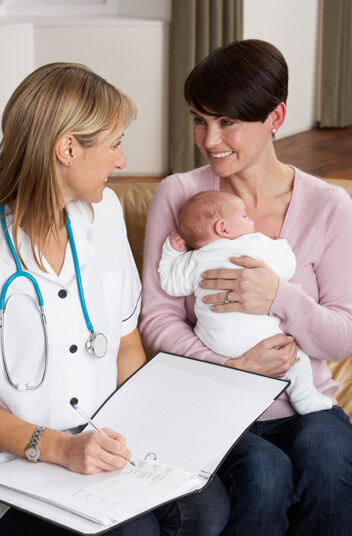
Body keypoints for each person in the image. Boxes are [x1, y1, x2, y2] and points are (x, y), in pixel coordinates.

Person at [0, 62, 229, 536]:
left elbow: (125, 344)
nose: (122, 160)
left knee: (209, 506)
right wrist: (61, 447)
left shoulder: (102, 214)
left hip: (102, 446)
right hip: (21, 465)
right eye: (114, 144)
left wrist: (147, 436)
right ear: (67, 149)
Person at [140, 39, 352, 535]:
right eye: (199, 119)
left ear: (275, 117)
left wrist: (278, 296)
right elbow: (157, 318)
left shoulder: (330, 206)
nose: (209, 138)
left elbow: (342, 336)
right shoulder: (180, 195)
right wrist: (232, 369)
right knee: (261, 476)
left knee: (329, 458)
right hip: (210, 400)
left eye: (227, 122)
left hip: (303, 404)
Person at [158, 190, 332, 415]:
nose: (251, 221)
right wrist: (280, 245)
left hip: (215, 345)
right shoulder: (255, 243)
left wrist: (171, 252)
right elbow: (288, 267)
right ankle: (305, 399)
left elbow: (170, 283)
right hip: (264, 341)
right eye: (243, 217)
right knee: (297, 359)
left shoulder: (193, 260)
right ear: (223, 228)